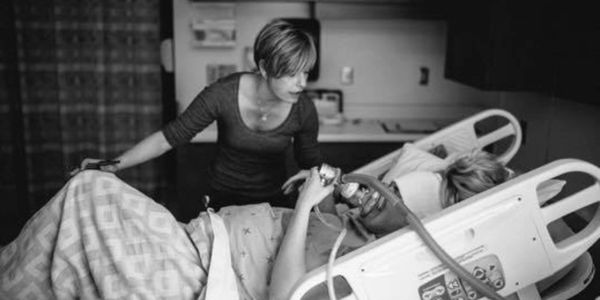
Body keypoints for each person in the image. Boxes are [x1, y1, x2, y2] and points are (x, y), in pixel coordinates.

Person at [1, 150, 511, 299]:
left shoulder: (377, 265)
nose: (378, 192)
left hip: (204, 273)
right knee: (71, 241)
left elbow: (287, 294)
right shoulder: (359, 225)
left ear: (418, 228)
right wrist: (321, 198)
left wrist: (308, 209)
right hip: (202, 238)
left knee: (91, 194)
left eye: (395, 197)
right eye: (388, 185)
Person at [77, 19, 322, 210]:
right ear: (265, 68)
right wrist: (113, 165)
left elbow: (310, 161)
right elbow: (168, 138)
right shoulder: (223, 94)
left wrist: (318, 174)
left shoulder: (303, 109)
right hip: (222, 199)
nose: (302, 83)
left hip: (272, 202)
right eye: (292, 74)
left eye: (306, 73)